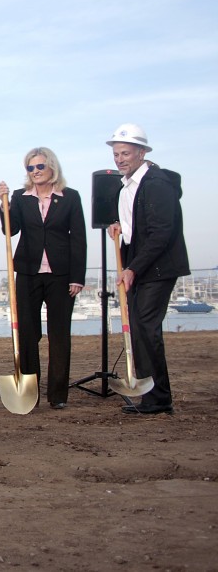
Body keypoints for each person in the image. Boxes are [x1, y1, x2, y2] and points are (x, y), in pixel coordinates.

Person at [106, 124, 189, 415]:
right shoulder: (127, 185)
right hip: (141, 267)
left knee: (145, 327)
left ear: (142, 152)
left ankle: (158, 398)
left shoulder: (155, 183)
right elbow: (137, 228)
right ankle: (151, 395)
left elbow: (161, 233)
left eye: (125, 153)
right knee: (140, 328)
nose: (119, 159)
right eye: (116, 154)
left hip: (158, 268)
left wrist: (132, 269)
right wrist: (120, 229)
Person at [0, 147, 86, 410]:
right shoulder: (21, 198)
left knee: (59, 335)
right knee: (27, 332)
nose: (35, 172)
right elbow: (9, 230)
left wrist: (77, 277)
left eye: (39, 167)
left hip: (61, 275)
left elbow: (78, 238)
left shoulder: (70, 197)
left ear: (52, 168)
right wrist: (4, 205)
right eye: (30, 168)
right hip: (27, 272)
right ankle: (29, 391)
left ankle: (57, 395)